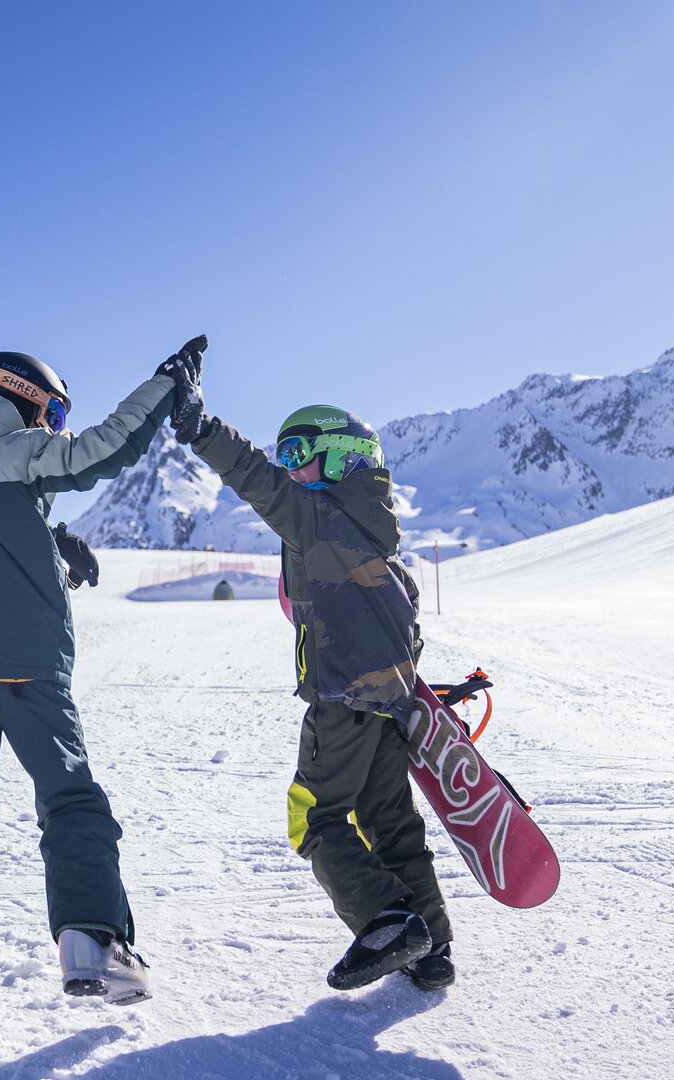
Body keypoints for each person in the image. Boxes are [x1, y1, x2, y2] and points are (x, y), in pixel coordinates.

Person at [0, 345, 188, 1046]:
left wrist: (53, 549)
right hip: (25, 664)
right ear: (25, 398)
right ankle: (92, 944)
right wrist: (165, 385)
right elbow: (107, 447)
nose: (54, 426)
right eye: (53, 413)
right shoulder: (28, 449)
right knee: (69, 796)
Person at [164, 343, 456, 993]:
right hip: (388, 702)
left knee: (315, 816)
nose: (290, 469)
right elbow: (404, 617)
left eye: (299, 454)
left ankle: (386, 921)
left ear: (344, 455)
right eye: (286, 456)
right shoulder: (377, 530)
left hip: (342, 700)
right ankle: (431, 947)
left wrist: (200, 427)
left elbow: (254, 477)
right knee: (388, 820)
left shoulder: (318, 518)